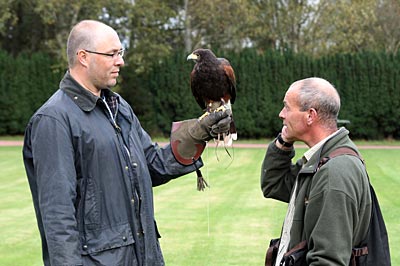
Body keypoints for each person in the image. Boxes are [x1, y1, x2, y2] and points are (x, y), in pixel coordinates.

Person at [23, 20, 231, 266]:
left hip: (145, 256)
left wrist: (196, 133)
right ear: (83, 57)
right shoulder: (54, 120)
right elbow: (58, 217)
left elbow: (152, 165)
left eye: (120, 53)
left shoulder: (119, 107)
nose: (120, 61)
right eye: (112, 54)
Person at [261, 77, 372, 265]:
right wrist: (284, 141)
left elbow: (328, 260)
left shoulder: (334, 172)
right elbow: (275, 184)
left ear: (310, 115)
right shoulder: (322, 160)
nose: (281, 114)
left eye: (287, 107)